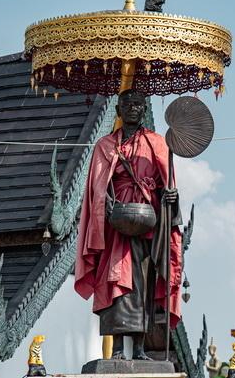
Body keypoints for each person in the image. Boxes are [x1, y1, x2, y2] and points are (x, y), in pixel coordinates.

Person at [75, 89, 183, 360]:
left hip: (148, 222)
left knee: (143, 285)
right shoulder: (105, 145)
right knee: (115, 281)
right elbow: (97, 190)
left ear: (144, 109)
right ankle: (120, 348)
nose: (133, 108)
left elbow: (167, 185)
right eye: (127, 104)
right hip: (116, 226)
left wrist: (171, 197)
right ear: (119, 111)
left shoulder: (157, 143)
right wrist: (109, 205)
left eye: (137, 104)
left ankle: (140, 348)